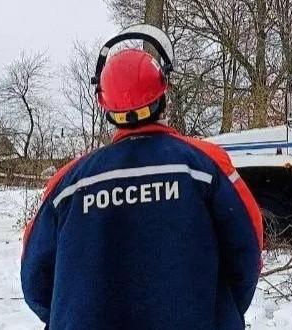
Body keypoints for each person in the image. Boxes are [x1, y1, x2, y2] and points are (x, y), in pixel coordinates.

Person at [20, 24, 263, 330]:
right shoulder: (206, 166)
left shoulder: (68, 184)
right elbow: (247, 251)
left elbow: (36, 279)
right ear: (163, 96)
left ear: (105, 106)